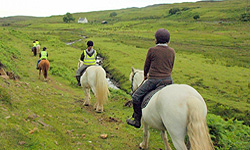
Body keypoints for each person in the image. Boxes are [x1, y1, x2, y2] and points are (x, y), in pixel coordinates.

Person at [126, 28, 175, 128]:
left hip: (154, 80)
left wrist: (145, 76)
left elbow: (146, 66)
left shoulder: (152, 50)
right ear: (168, 41)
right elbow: (171, 66)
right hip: (169, 80)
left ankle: (136, 121)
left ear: (156, 40)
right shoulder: (172, 51)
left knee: (136, 96)